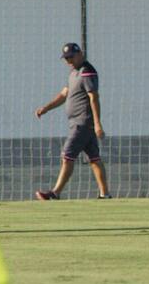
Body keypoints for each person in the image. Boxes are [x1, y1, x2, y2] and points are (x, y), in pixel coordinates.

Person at [34, 43, 111, 200]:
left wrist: (97, 123)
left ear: (80, 54)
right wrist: (46, 108)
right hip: (78, 122)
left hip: (82, 123)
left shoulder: (87, 72)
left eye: (71, 57)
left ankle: (55, 193)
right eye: (66, 58)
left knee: (67, 156)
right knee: (94, 158)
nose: (68, 61)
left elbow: (93, 97)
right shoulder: (73, 73)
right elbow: (64, 94)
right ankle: (105, 194)